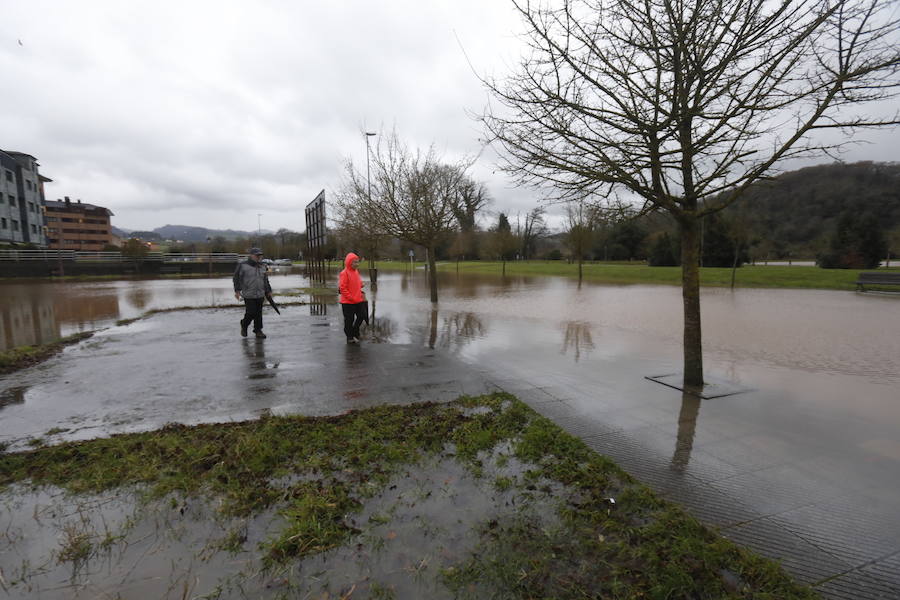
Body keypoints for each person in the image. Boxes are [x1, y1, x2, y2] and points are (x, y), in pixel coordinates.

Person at [233, 247, 271, 339]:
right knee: (251, 312)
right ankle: (244, 324)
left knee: (258, 313)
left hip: (260, 293)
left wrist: (268, 290)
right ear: (251, 255)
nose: (259, 257)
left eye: (260, 255)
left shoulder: (263, 266)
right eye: (257, 255)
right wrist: (237, 291)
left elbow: (265, 279)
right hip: (248, 293)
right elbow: (236, 278)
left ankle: (258, 330)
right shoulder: (243, 265)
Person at [339, 252, 368, 344]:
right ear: (349, 262)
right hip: (348, 302)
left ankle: (355, 331)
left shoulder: (356, 271)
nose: (357, 264)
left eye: (358, 262)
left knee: (362, 315)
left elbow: (357, 282)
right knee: (349, 320)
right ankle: (349, 337)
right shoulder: (344, 273)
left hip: (358, 300)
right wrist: (350, 298)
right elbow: (343, 288)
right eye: (355, 262)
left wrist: (361, 284)